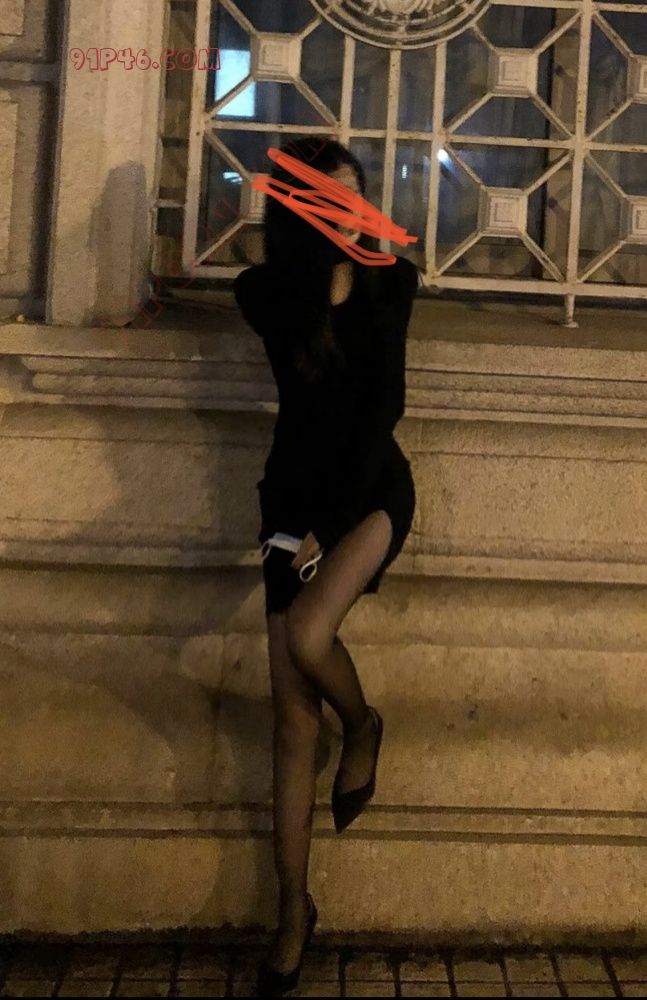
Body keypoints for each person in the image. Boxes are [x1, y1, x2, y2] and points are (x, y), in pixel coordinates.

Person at [233, 137, 419, 998]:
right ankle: (291, 913)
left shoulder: (392, 284)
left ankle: (366, 725)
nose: (348, 211)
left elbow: (381, 414)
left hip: (371, 493)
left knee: (311, 637)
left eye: (355, 196)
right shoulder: (275, 295)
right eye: (327, 200)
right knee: (289, 726)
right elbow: (253, 285)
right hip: (292, 503)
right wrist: (296, 525)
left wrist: (325, 527)